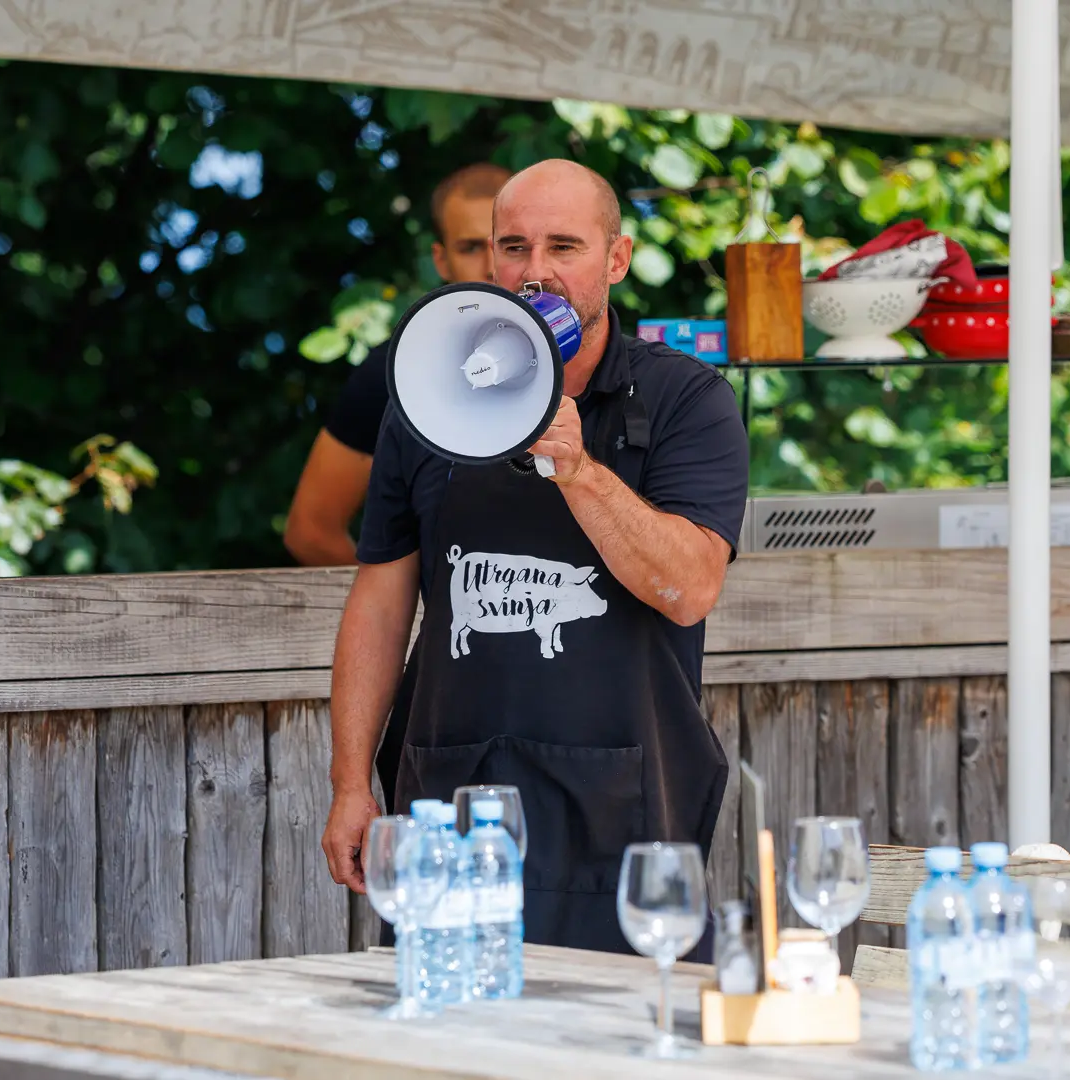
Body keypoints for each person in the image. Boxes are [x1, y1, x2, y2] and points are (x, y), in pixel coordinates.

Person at [319, 158, 750, 956]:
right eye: (513, 247)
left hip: (624, 806)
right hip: (451, 797)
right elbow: (380, 602)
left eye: (564, 246)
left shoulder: (688, 400)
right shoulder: (428, 399)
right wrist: (350, 783)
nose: (536, 272)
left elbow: (688, 588)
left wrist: (579, 469)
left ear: (615, 260)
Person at [282, 161, 514, 567]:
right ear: (441, 260)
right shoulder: (393, 373)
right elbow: (310, 531)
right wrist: (409, 616)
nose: (492, 266)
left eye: (507, 245)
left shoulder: (596, 360)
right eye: (471, 247)